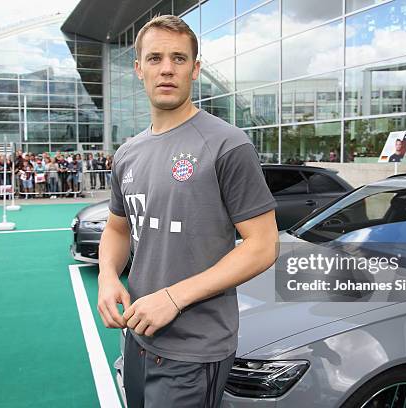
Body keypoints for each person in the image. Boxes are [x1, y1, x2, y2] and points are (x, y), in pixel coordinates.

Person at [97, 15, 278, 408]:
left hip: (194, 351)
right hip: (137, 339)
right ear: (139, 69)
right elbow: (117, 228)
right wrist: (108, 275)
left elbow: (263, 245)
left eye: (179, 59)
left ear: (195, 70)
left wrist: (174, 298)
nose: (166, 68)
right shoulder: (127, 153)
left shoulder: (227, 144)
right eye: (155, 58)